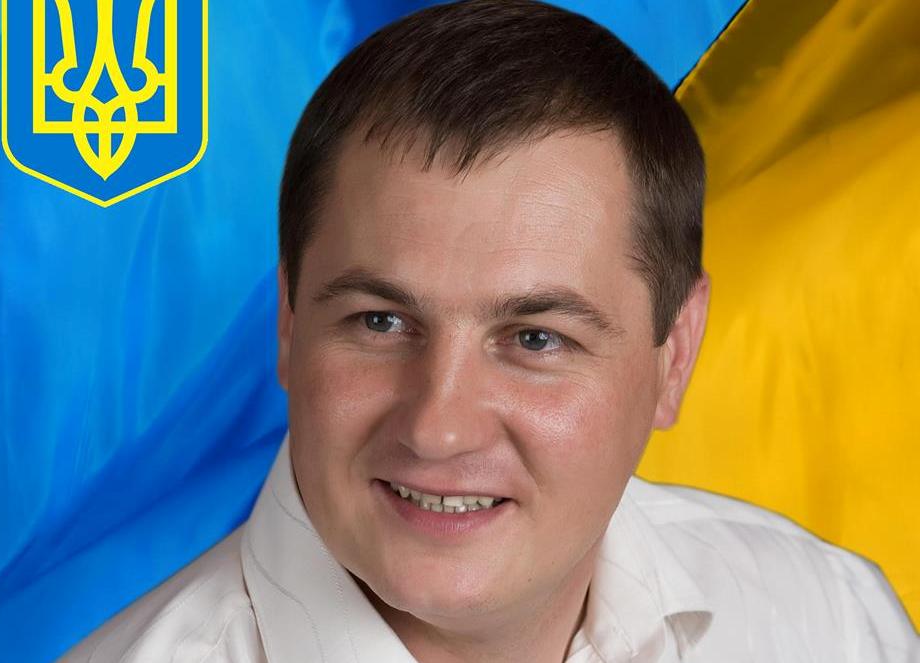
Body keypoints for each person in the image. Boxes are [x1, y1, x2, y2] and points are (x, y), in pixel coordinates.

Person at [61, 1, 918, 661]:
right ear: (288, 324)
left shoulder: (828, 621)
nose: (438, 427)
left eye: (535, 338)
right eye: (380, 321)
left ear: (676, 354)